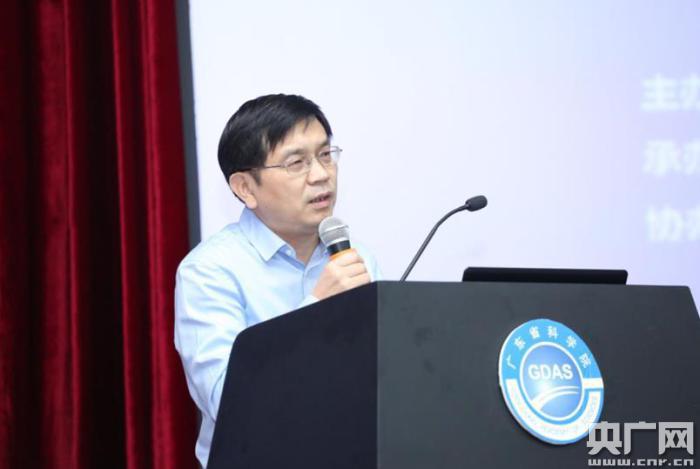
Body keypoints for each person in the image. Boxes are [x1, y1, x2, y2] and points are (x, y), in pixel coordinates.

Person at [174, 94, 380, 467]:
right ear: (245, 188)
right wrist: (316, 310)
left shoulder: (354, 257)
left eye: (325, 154)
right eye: (296, 163)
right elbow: (227, 402)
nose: (321, 174)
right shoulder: (209, 271)